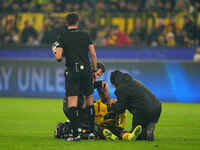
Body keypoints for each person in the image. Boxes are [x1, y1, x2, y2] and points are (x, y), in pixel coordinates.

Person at [52, 13, 97, 141]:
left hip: (73, 71)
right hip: (87, 71)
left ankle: (76, 133)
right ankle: (91, 132)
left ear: (66, 23)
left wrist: (55, 51)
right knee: (89, 101)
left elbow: (59, 57)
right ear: (78, 21)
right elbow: (93, 54)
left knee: (73, 103)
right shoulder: (85, 34)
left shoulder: (63, 36)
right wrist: (94, 70)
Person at [106, 70, 161, 141]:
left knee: (135, 136)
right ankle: (148, 127)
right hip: (157, 107)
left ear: (114, 82)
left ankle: (145, 133)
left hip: (143, 110)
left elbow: (120, 109)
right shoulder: (134, 82)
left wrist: (112, 105)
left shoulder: (120, 89)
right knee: (138, 130)